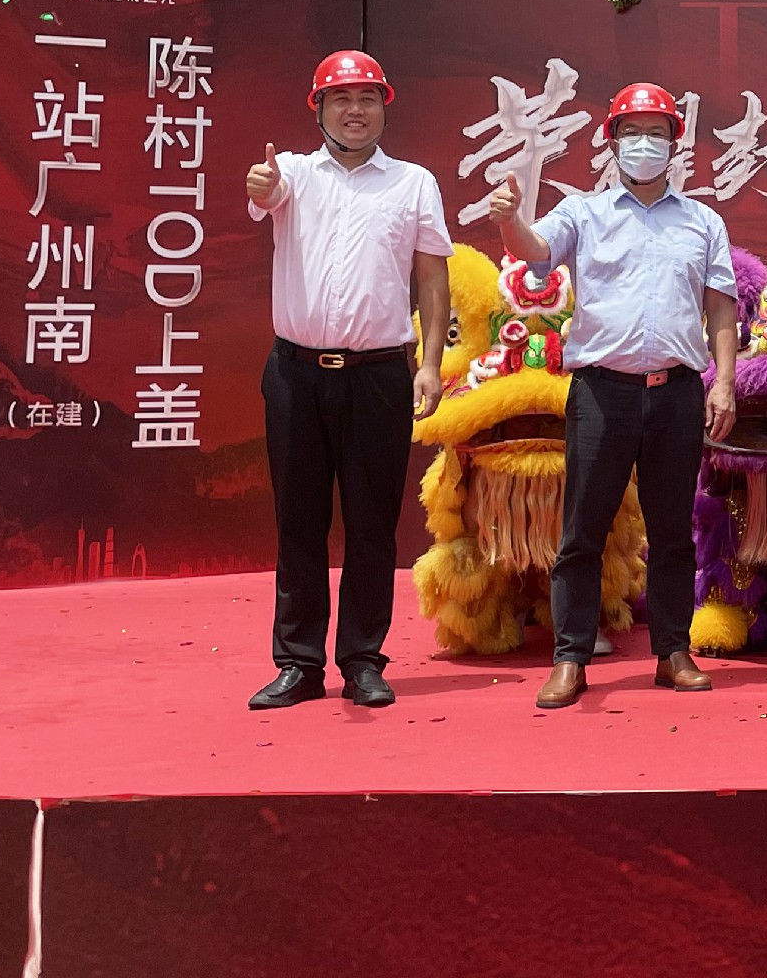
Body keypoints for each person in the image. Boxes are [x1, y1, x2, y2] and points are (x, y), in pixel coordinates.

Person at [485, 82, 739, 704]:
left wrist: (725, 383)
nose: (644, 144)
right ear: (612, 142)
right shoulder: (584, 214)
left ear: (675, 143)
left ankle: (673, 652)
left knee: (672, 530)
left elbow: (720, 307)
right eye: (632, 133)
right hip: (602, 393)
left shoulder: (703, 221)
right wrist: (509, 220)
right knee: (583, 530)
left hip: (677, 393)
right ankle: (570, 658)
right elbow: (535, 249)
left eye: (656, 133)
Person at [244, 51, 452, 711]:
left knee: (371, 524)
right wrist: (261, 185)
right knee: (298, 521)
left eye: (367, 99)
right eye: (341, 99)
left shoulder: (413, 183)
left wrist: (429, 363)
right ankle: (298, 664)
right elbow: (266, 194)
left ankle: (363, 660)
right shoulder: (293, 174)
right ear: (319, 109)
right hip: (295, 375)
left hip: (379, 376)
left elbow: (432, 277)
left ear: (384, 107)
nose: (355, 111)